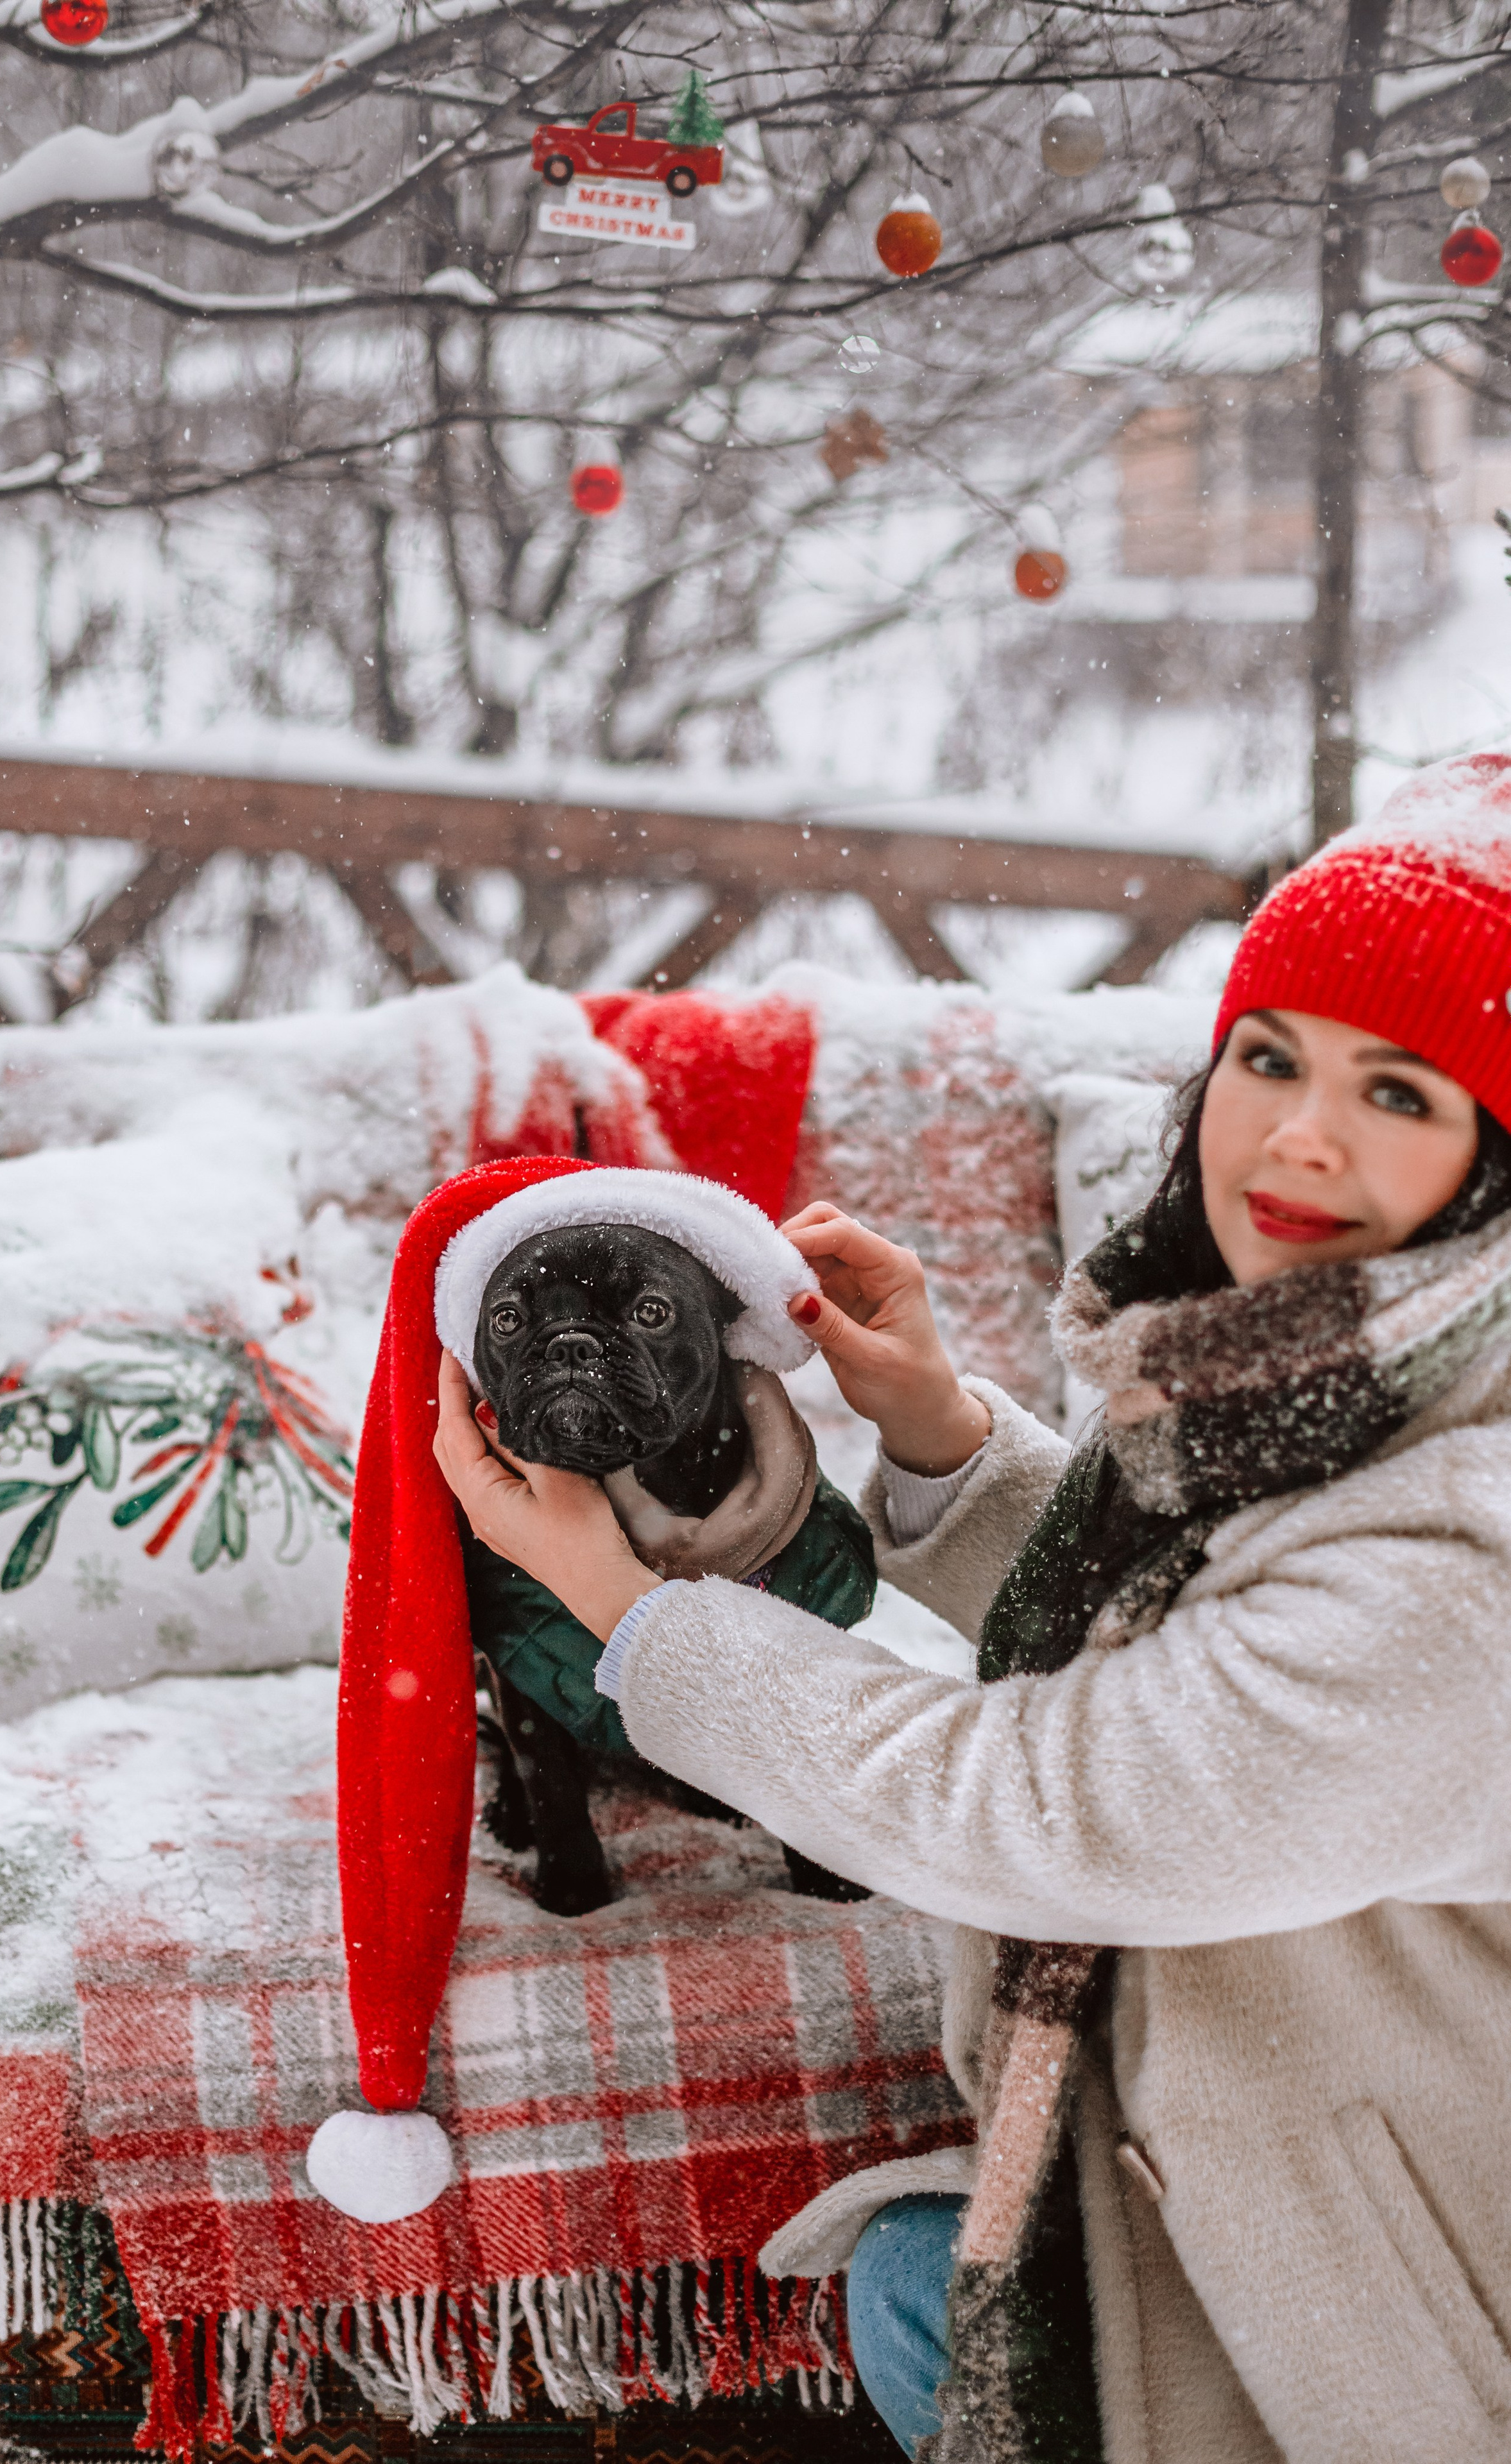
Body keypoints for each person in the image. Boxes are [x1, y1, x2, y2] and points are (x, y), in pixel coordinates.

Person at [434, 751, 1511, 2464]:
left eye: (1402, 1090)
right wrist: (934, 1428)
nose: (1300, 1132)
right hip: (1228, 2173)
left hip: (1408, 2341)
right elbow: (1193, 1664)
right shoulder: (1324, 1382)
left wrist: (621, 1602)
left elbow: (1050, 1808)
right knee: (921, 2280)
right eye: (1270, 1055)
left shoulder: (1470, 1563)